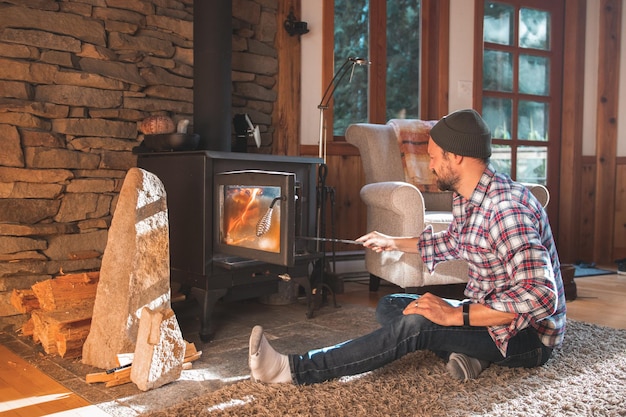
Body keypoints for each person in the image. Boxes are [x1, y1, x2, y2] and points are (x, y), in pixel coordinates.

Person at [248, 109, 566, 385]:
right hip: (489, 313)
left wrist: (457, 316)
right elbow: (455, 240)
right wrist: (391, 242)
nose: (430, 166)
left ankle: (292, 369)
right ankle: (472, 352)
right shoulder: (470, 195)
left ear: (456, 156)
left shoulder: (506, 209)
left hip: (526, 337)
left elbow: (541, 296)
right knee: (393, 305)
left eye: (433, 157)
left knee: (416, 324)